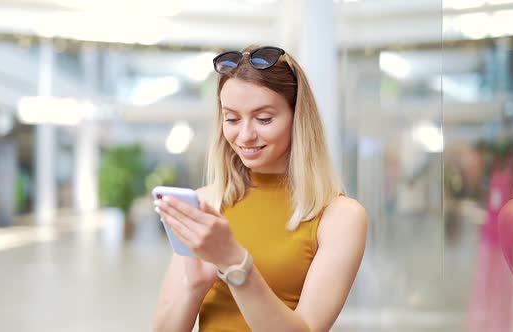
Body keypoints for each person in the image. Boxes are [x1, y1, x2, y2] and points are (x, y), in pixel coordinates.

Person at [152, 45, 368, 331]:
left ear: (297, 118)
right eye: (231, 118)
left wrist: (235, 263)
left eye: (264, 119)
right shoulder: (208, 203)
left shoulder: (340, 217)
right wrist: (195, 286)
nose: (245, 135)